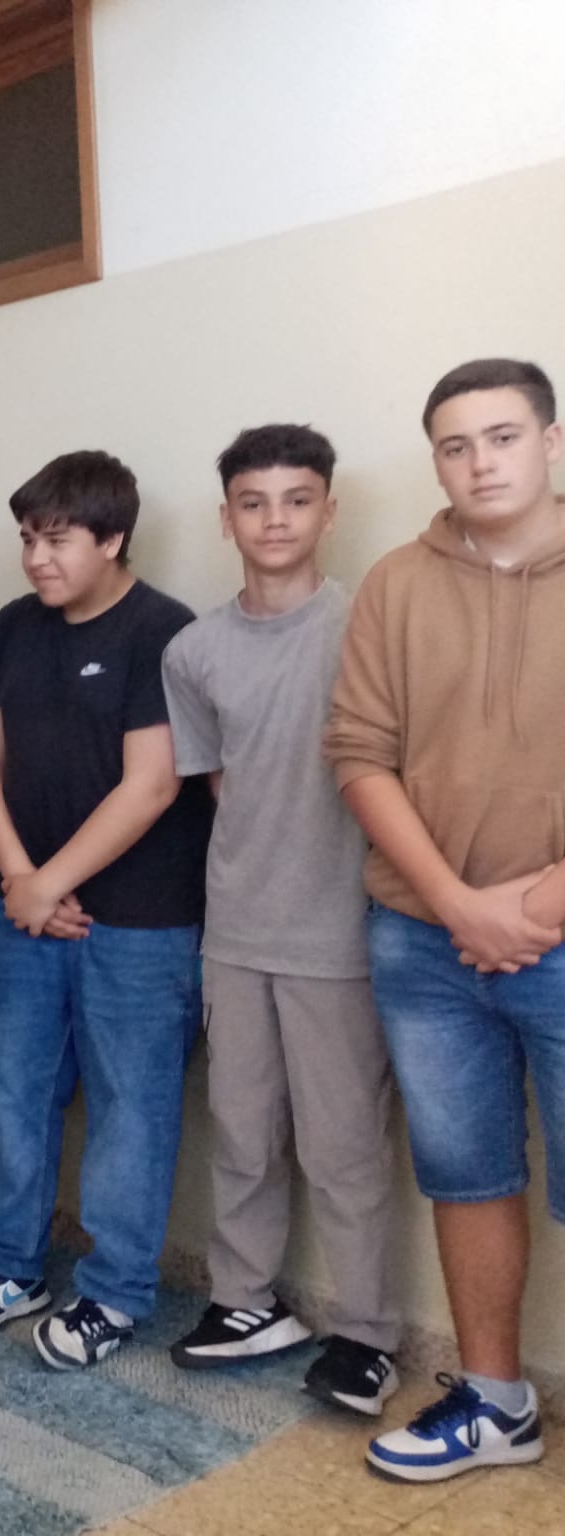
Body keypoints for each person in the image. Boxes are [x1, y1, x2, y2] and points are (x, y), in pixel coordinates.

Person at [329, 358, 565, 1481]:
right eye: (455, 445)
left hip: (556, 934)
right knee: (465, 1173)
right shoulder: (394, 583)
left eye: (502, 437)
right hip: (424, 941)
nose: (480, 463)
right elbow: (358, 755)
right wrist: (460, 905)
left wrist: (536, 906)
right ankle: (495, 1404)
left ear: (551, 441)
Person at [0, 451, 212, 1371]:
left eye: (56, 540)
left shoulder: (163, 631)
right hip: (23, 912)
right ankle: (8, 1267)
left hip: (139, 924)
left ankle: (115, 1293)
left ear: (113, 538)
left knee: (132, 1112)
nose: (36, 558)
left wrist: (43, 882)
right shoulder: (13, 627)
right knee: (12, 1093)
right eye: (27, 538)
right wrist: (21, 878)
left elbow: (153, 785)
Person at [161, 428, 400, 1410]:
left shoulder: (366, 627)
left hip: (339, 936)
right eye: (252, 503)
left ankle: (367, 1334)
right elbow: (225, 784)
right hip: (234, 932)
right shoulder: (192, 652)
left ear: (328, 512)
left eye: (296, 500)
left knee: (343, 1149)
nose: (274, 520)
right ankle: (244, 1301)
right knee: (241, 1132)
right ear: (225, 518)